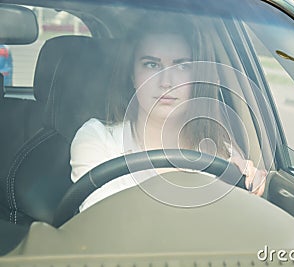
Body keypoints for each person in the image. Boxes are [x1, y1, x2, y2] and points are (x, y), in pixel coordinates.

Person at [70, 14, 267, 211]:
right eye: (151, 64)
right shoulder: (98, 140)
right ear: (132, 75)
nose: (166, 82)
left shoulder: (221, 152)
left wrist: (249, 185)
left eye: (182, 66)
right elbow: (102, 227)